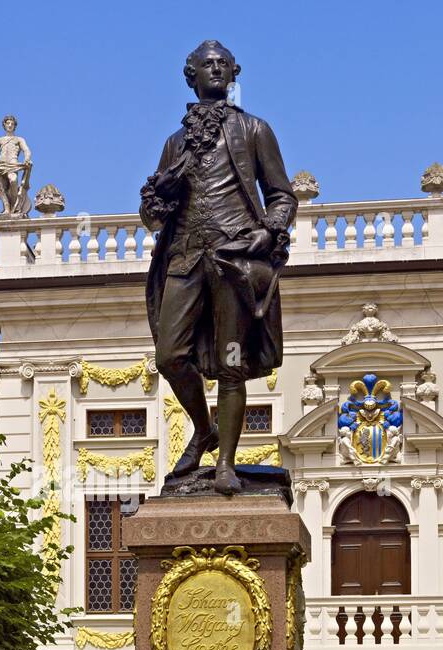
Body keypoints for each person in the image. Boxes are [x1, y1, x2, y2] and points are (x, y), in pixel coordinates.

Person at [140, 40, 297, 495]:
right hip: (185, 256)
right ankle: (204, 428)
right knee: (169, 355)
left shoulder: (254, 130)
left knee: (232, 363)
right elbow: (153, 216)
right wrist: (159, 195)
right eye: (205, 65)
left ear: (234, 73)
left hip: (233, 258)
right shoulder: (175, 144)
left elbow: (282, 195)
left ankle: (225, 462)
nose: (214, 69)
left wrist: (269, 231)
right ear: (190, 76)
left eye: (222, 64)